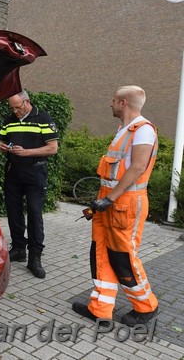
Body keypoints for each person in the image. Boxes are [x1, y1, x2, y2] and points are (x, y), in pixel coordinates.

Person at [72, 85, 159, 327]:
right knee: (100, 253)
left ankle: (147, 307)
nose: (109, 104)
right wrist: (103, 200)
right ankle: (100, 309)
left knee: (123, 258)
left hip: (124, 204)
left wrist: (110, 199)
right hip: (108, 203)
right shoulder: (123, 130)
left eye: (112, 100)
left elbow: (138, 167)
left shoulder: (143, 130)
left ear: (123, 103)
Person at [0, 90, 58, 279]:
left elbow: (52, 148)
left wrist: (27, 152)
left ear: (27, 101)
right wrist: (0, 146)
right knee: (13, 212)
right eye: (12, 108)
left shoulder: (43, 118)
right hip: (13, 172)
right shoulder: (10, 119)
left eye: (17, 107)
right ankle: (19, 249)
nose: (15, 111)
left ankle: (35, 258)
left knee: (34, 213)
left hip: (35, 173)